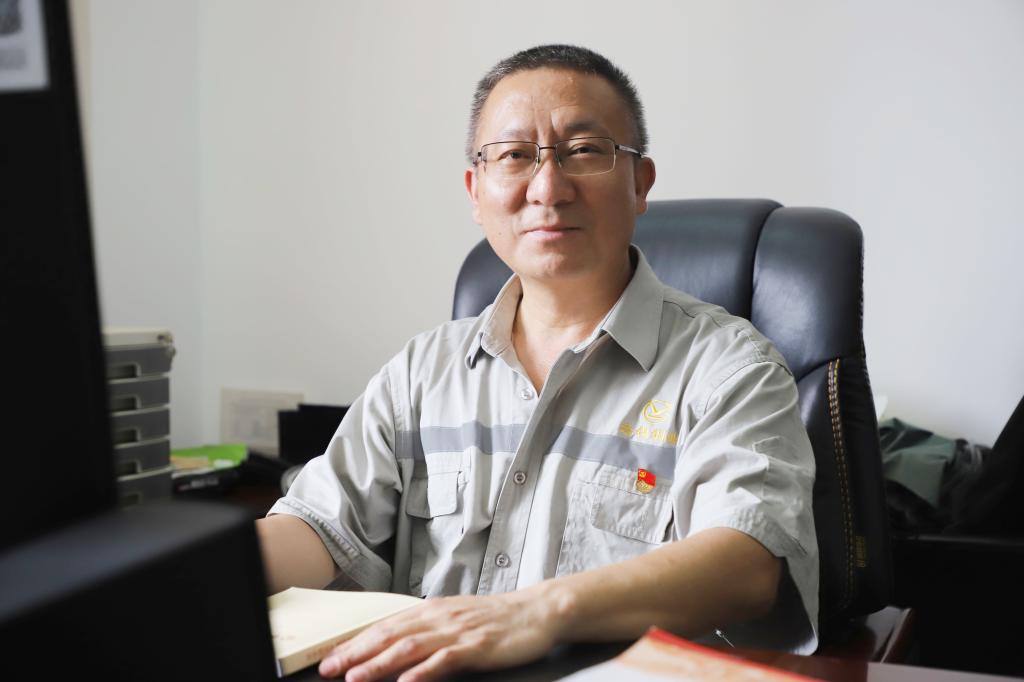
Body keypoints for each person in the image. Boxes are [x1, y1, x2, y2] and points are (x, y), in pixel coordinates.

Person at [256, 44, 818, 682]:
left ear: (640, 183)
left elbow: (746, 563)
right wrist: (194, 566)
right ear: (476, 191)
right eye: (515, 155)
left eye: (584, 150)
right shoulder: (421, 372)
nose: (548, 188)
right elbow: (318, 529)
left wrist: (535, 613)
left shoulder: (729, 369)